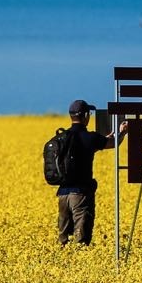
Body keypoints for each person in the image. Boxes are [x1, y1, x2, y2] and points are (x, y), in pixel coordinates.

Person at [55, 99, 131, 246]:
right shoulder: (89, 137)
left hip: (63, 194)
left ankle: (63, 262)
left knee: (63, 240)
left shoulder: (62, 138)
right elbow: (113, 143)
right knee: (81, 237)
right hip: (80, 194)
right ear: (85, 116)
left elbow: (88, 149)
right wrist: (123, 132)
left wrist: (106, 137)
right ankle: (79, 263)